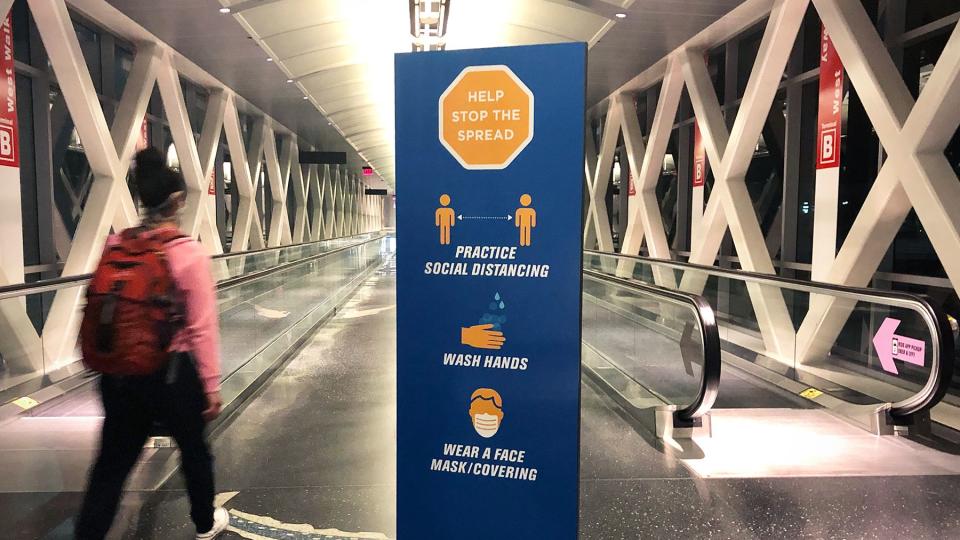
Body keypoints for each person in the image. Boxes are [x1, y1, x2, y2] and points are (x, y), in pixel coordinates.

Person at [75, 148, 229, 540]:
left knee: (111, 465)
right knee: (194, 451)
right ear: (176, 201)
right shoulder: (188, 253)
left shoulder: (115, 246)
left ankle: (88, 533)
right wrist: (210, 386)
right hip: (172, 375)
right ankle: (205, 523)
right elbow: (201, 328)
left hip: (120, 377)